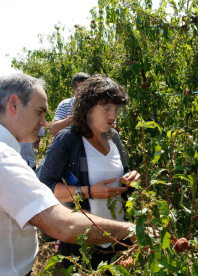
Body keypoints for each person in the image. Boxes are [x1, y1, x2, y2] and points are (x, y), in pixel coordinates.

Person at [0, 73, 135, 276]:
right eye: (39, 111)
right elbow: (63, 225)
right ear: (14, 104)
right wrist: (131, 230)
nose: (44, 122)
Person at [38, 75, 140, 270]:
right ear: (88, 108)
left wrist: (130, 178)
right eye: (106, 108)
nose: (113, 116)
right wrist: (89, 191)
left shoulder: (113, 136)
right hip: (84, 242)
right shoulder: (69, 138)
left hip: (118, 236)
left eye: (116, 109)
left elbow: (124, 169)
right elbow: (44, 187)